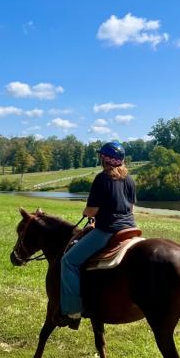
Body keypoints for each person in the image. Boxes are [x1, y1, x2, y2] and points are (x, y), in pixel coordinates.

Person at [55, 141, 137, 329]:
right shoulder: (130, 180)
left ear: (106, 160)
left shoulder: (102, 179)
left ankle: (73, 310)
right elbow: (130, 208)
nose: (100, 160)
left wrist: (87, 212)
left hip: (107, 230)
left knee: (68, 261)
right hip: (130, 229)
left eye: (102, 157)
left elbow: (92, 211)